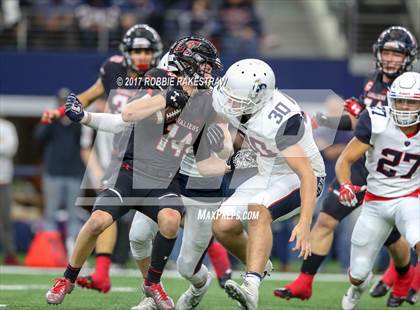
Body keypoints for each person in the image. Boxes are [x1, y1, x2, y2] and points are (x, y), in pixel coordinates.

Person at [45, 36, 225, 310]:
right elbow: (126, 116)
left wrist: (232, 161)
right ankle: (67, 279)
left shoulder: (205, 102)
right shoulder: (160, 80)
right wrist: (85, 118)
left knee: (170, 219)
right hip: (130, 171)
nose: (209, 73)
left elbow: (207, 159)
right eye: (205, 66)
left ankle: (153, 284)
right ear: (188, 64)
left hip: (165, 179)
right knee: (97, 222)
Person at [275, 26, 420, 306]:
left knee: (392, 236)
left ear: (409, 58)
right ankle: (305, 281)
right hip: (363, 163)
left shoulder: (410, 87)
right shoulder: (375, 81)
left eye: (396, 53)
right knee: (326, 218)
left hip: (397, 173)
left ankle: (402, 276)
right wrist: (327, 121)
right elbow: (362, 123)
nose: (390, 59)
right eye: (386, 52)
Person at [41, 24, 163, 293]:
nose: (142, 56)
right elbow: (87, 95)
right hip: (118, 158)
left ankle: (205, 273)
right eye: (137, 50)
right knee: (103, 215)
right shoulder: (112, 69)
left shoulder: (163, 77)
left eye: (147, 51)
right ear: (126, 52)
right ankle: (103, 273)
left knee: (166, 223)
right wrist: (60, 111)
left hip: (153, 161)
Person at [211, 59, 326, 310]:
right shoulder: (237, 100)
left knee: (258, 208)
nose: (230, 101)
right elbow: (230, 123)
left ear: (259, 97)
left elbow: (306, 174)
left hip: (302, 177)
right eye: (229, 94)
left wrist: (305, 223)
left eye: (237, 98)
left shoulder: (280, 120)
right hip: (268, 171)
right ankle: (261, 264)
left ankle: (251, 286)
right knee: (222, 224)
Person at [339, 71, 420, 309]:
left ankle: (409, 284)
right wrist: (345, 185)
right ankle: (358, 287)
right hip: (374, 203)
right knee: (358, 274)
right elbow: (344, 160)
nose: (405, 107)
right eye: (400, 100)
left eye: (411, 101)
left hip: (409, 198)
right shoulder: (375, 119)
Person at [35, 88, 87, 254]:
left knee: (73, 215)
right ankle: (51, 251)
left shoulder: (78, 123)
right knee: (50, 213)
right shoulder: (52, 122)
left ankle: (73, 250)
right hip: (53, 173)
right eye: (60, 102)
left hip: (73, 174)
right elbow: (38, 137)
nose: (63, 106)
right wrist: (49, 120)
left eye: (65, 103)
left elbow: (86, 146)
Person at [0, 116, 19, 265]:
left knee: (6, 220)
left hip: (3, 180)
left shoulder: (7, 126)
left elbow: (10, 148)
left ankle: (9, 254)